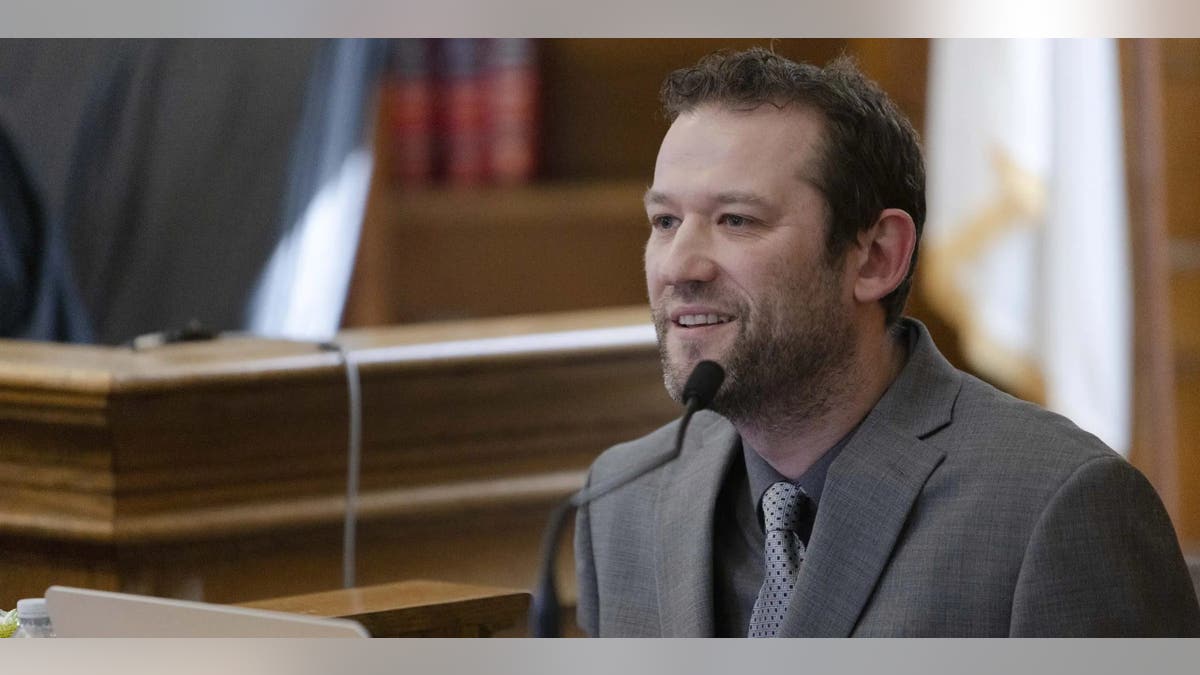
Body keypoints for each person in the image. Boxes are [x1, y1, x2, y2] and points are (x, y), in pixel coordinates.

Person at [573, 48, 1200, 637]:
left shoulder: (1058, 509)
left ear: (875, 257)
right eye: (665, 221)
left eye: (737, 220)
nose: (680, 266)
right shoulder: (622, 500)